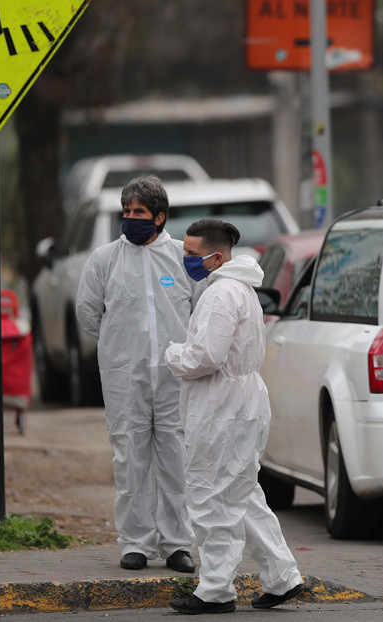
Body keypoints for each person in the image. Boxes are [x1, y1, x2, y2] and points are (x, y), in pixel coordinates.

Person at [165, 219, 305, 614]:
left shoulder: (220, 294)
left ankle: (215, 590)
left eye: (192, 254)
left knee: (212, 497)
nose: (186, 259)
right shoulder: (236, 288)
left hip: (222, 407)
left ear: (216, 257)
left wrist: (173, 353)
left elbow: (206, 357)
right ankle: (282, 577)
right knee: (240, 493)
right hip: (239, 402)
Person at [76, 175, 196, 574]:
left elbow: (201, 311)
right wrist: (118, 347)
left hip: (174, 377)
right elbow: (88, 314)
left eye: (139, 212)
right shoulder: (105, 259)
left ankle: (178, 544)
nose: (131, 218)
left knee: (175, 459)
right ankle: (135, 543)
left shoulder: (182, 258)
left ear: (159, 217)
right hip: (124, 377)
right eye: (126, 212)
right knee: (130, 458)